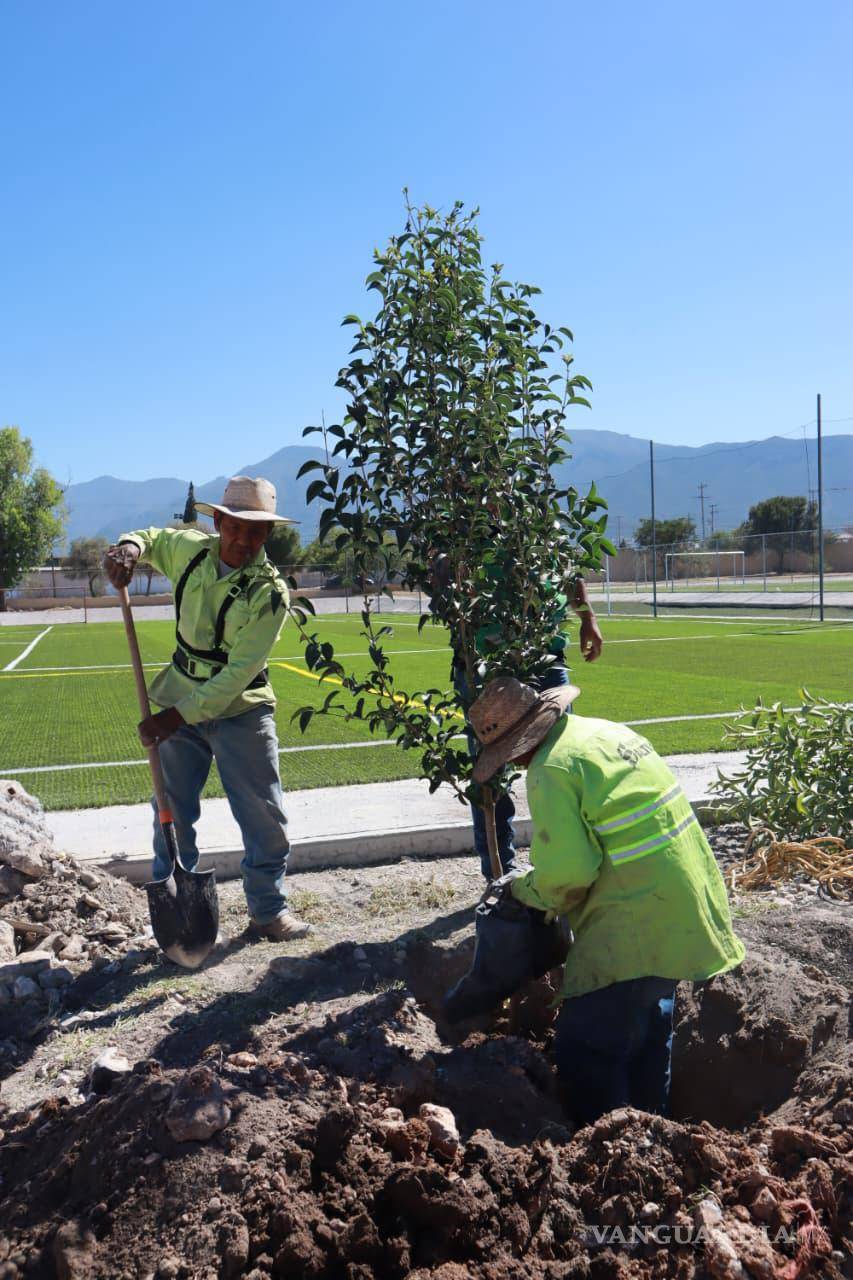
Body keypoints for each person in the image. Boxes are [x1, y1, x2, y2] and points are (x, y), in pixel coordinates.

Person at [445, 676, 745, 1125]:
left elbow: (568, 874)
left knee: (586, 1046)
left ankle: (604, 1152)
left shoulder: (552, 768)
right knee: (647, 1030)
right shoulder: (604, 733)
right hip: (684, 902)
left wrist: (521, 889)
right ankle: (654, 1134)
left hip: (637, 918)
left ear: (515, 746)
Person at [103, 475, 310, 941]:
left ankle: (268, 910)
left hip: (241, 710)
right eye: (235, 526)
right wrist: (128, 549)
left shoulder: (270, 593)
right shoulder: (191, 551)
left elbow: (235, 677)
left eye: (256, 531)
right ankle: (178, 909)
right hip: (180, 693)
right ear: (218, 521)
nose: (244, 539)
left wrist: (171, 719)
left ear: (268, 534)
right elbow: (152, 538)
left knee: (264, 817)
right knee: (170, 811)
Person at [432, 549, 603, 879]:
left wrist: (587, 617)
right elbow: (439, 585)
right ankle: (500, 877)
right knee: (491, 776)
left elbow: (568, 572)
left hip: (547, 657)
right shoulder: (460, 521)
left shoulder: (537, 506)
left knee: (565, 763)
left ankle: (570, 867)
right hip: (482, 666)